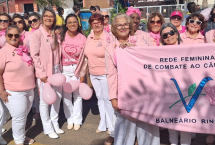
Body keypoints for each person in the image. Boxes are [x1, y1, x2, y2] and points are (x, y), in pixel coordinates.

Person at [105, 13, 159, 145]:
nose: (123, 27)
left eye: (125, 24)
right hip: (124, 93)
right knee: (124, 132)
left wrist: (133, 49)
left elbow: (150, 59)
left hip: (144, 91)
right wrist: (113, 98)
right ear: (114, 28)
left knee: (147, 130)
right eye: (119, 25)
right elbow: (111, 74)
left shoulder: (140, 40)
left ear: (130, 26)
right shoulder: (110, 48)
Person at [0, 25, 35, 145]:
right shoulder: (2, 53)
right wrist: (1, 91)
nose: (13, 37)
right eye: (10, 35)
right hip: (14, 91)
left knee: (23, 116)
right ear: (5, 37)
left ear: (20, 36)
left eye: (16, 35)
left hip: (29, 89)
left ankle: (20, 136)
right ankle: (19, 141)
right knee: (19, 118)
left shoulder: (23, 50)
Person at [74, 13, 114, 142]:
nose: (96, 24)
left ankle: (112, 126)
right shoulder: (89, 37)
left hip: (105, 73)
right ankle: (103, 123)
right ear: (91, 24)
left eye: (99, 22)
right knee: (100, 99)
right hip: (93, 74)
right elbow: (85, 57)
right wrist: (82, 73)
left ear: (103, 23)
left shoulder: (108, 37)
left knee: (108, 99)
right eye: (93, 22)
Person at [29, 7, 64, 139]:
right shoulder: (37, 34)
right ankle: (47, 127)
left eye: (51, 16)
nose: (49, 18)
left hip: (57, 70)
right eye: (46, 16)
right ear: (42, 18)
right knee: (45, 101)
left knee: (57, 98)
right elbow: (34, 55)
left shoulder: (55, 33)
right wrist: (41, 73)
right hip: (45, 72)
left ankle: (55, 123)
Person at [60, 14, 86, 131]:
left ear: (78, 23)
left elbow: (85, 58)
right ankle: (69, 118)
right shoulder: (61, 37)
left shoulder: (82, 38)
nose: (72, 24)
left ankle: (77, 119)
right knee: (66, 96)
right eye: (69, 22)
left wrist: (82, 73)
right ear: (66, 24)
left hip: (77, 69)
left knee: (77, 96)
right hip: (64, 70)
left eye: (74, 22)